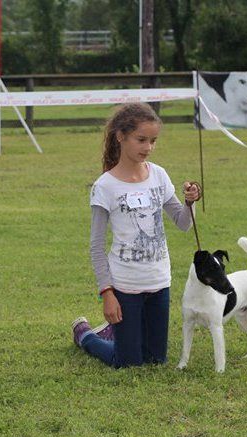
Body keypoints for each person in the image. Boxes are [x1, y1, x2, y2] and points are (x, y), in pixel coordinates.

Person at [71, 103, 201, 368]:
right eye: (141, 140)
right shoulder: (105, 186)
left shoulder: (159, 176)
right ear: (121, 136)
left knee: (156, 359)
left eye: (153, 141)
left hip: (158, 283)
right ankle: (85, 334)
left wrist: (191, 201)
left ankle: (118, 331)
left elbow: (183, 223)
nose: (148, 147)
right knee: (127, 362)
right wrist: (107, 293)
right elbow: (96, 247)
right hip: (124, 287)